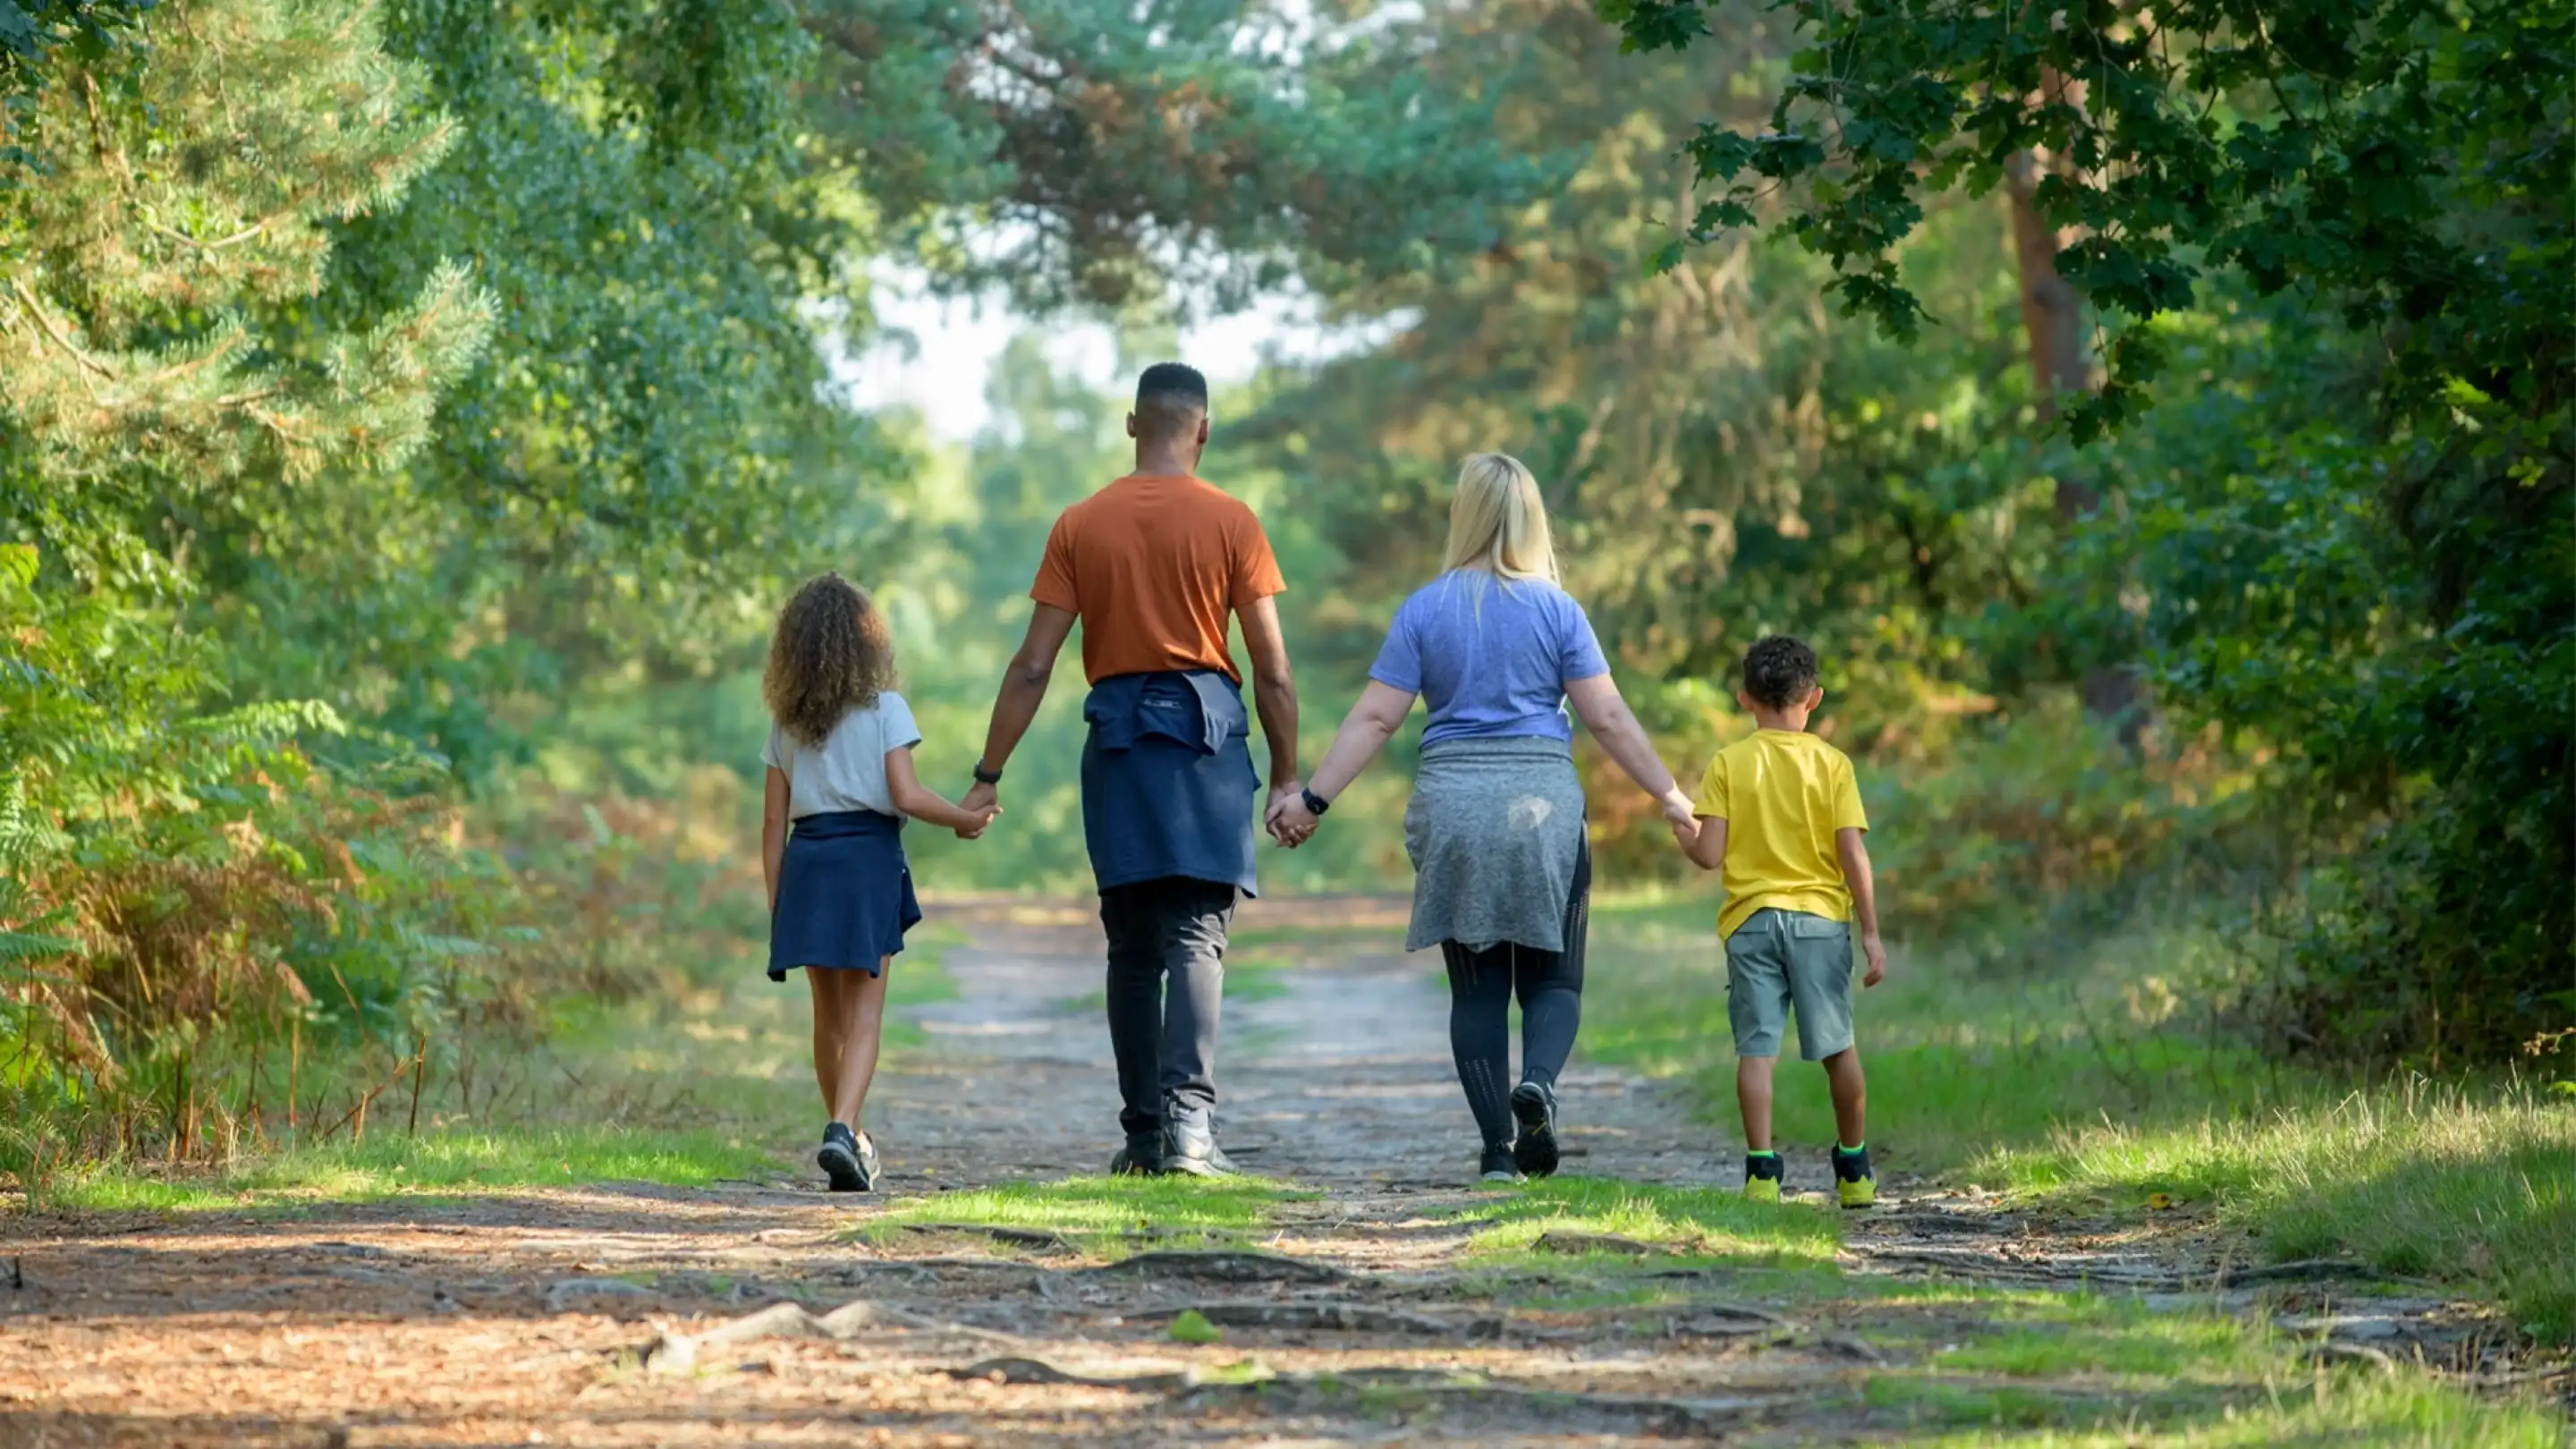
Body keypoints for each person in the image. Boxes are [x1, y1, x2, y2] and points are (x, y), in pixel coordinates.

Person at [1267, 453, 1697, 1185]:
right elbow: (1608, 717)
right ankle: (1541, 1085)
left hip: (1454, 806)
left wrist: (1312, 801)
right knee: (1554, 983)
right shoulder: (1558, 610)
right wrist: (1669, 793)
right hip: (1542, 806)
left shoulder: (1426, 608)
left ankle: (1498, 1152)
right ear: (1534, 520)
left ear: (1462, 514)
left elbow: (1375, 719)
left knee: (1478, 991)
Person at [960, 362, 1301, 1178]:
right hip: (1203, 743)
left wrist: (988, 773)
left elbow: (1033, 666)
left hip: (1116, 743)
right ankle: (1191, 1132)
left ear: (1130, 424)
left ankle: (1145, 1136)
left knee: (1130, 945)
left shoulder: (1082, 523)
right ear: (1204, 430)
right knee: (1195, 933)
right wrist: (1287, 776)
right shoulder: (1232, 521)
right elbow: (1273, 670)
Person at [760, 573, 999, 1192]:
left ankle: (850, 1137)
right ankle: (843, 1129)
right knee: (865, 1013)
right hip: (867, 860)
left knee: (827, 1014)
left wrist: (777, 902)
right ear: (866, 643)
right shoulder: (886, 710)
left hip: (808, 862)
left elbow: (770, 823)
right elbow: (906, 794)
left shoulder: (786, 724)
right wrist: (965, 818)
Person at [1669, 634, 1886, 1208]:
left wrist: (1683, 833)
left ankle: (1763, 1174)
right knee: (1839, 1047)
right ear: (1812, 699)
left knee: (1756, 1050)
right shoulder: (1833, 765)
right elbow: (1853, 855)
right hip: (1820, 921)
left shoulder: (1729, 764)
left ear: (1746, 700)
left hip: (1753, 921)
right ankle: (1854, 1170)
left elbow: (1710, 854)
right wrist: (1870, 933)